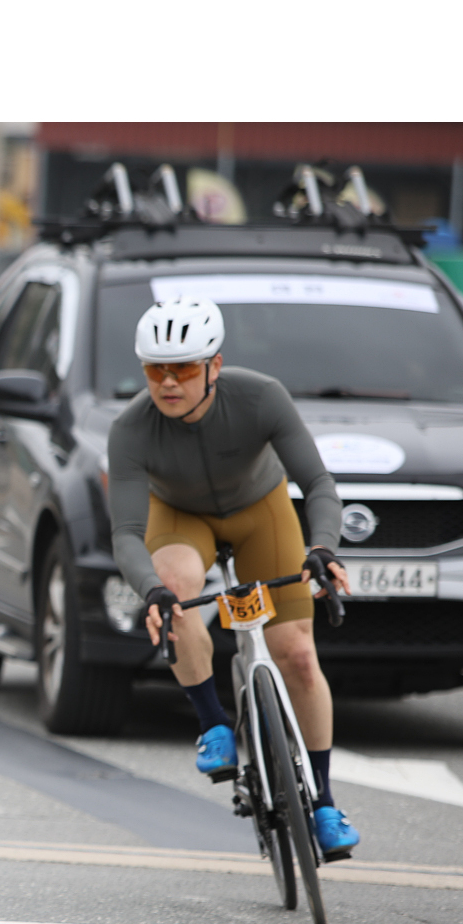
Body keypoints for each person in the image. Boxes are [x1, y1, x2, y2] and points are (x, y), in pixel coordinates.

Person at [108, 295, 359, 858]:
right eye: (155, 370)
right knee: (175, 591)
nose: (167, 382)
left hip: (258, 510)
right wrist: (150, 589)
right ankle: (213, 722)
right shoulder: (130, 429)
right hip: (181, 517)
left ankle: (323, 802)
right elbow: (126, 532)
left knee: (297, 654)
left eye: (183, 369)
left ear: (214, 366)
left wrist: (322, 547)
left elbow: (318, 484)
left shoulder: (261, 397)